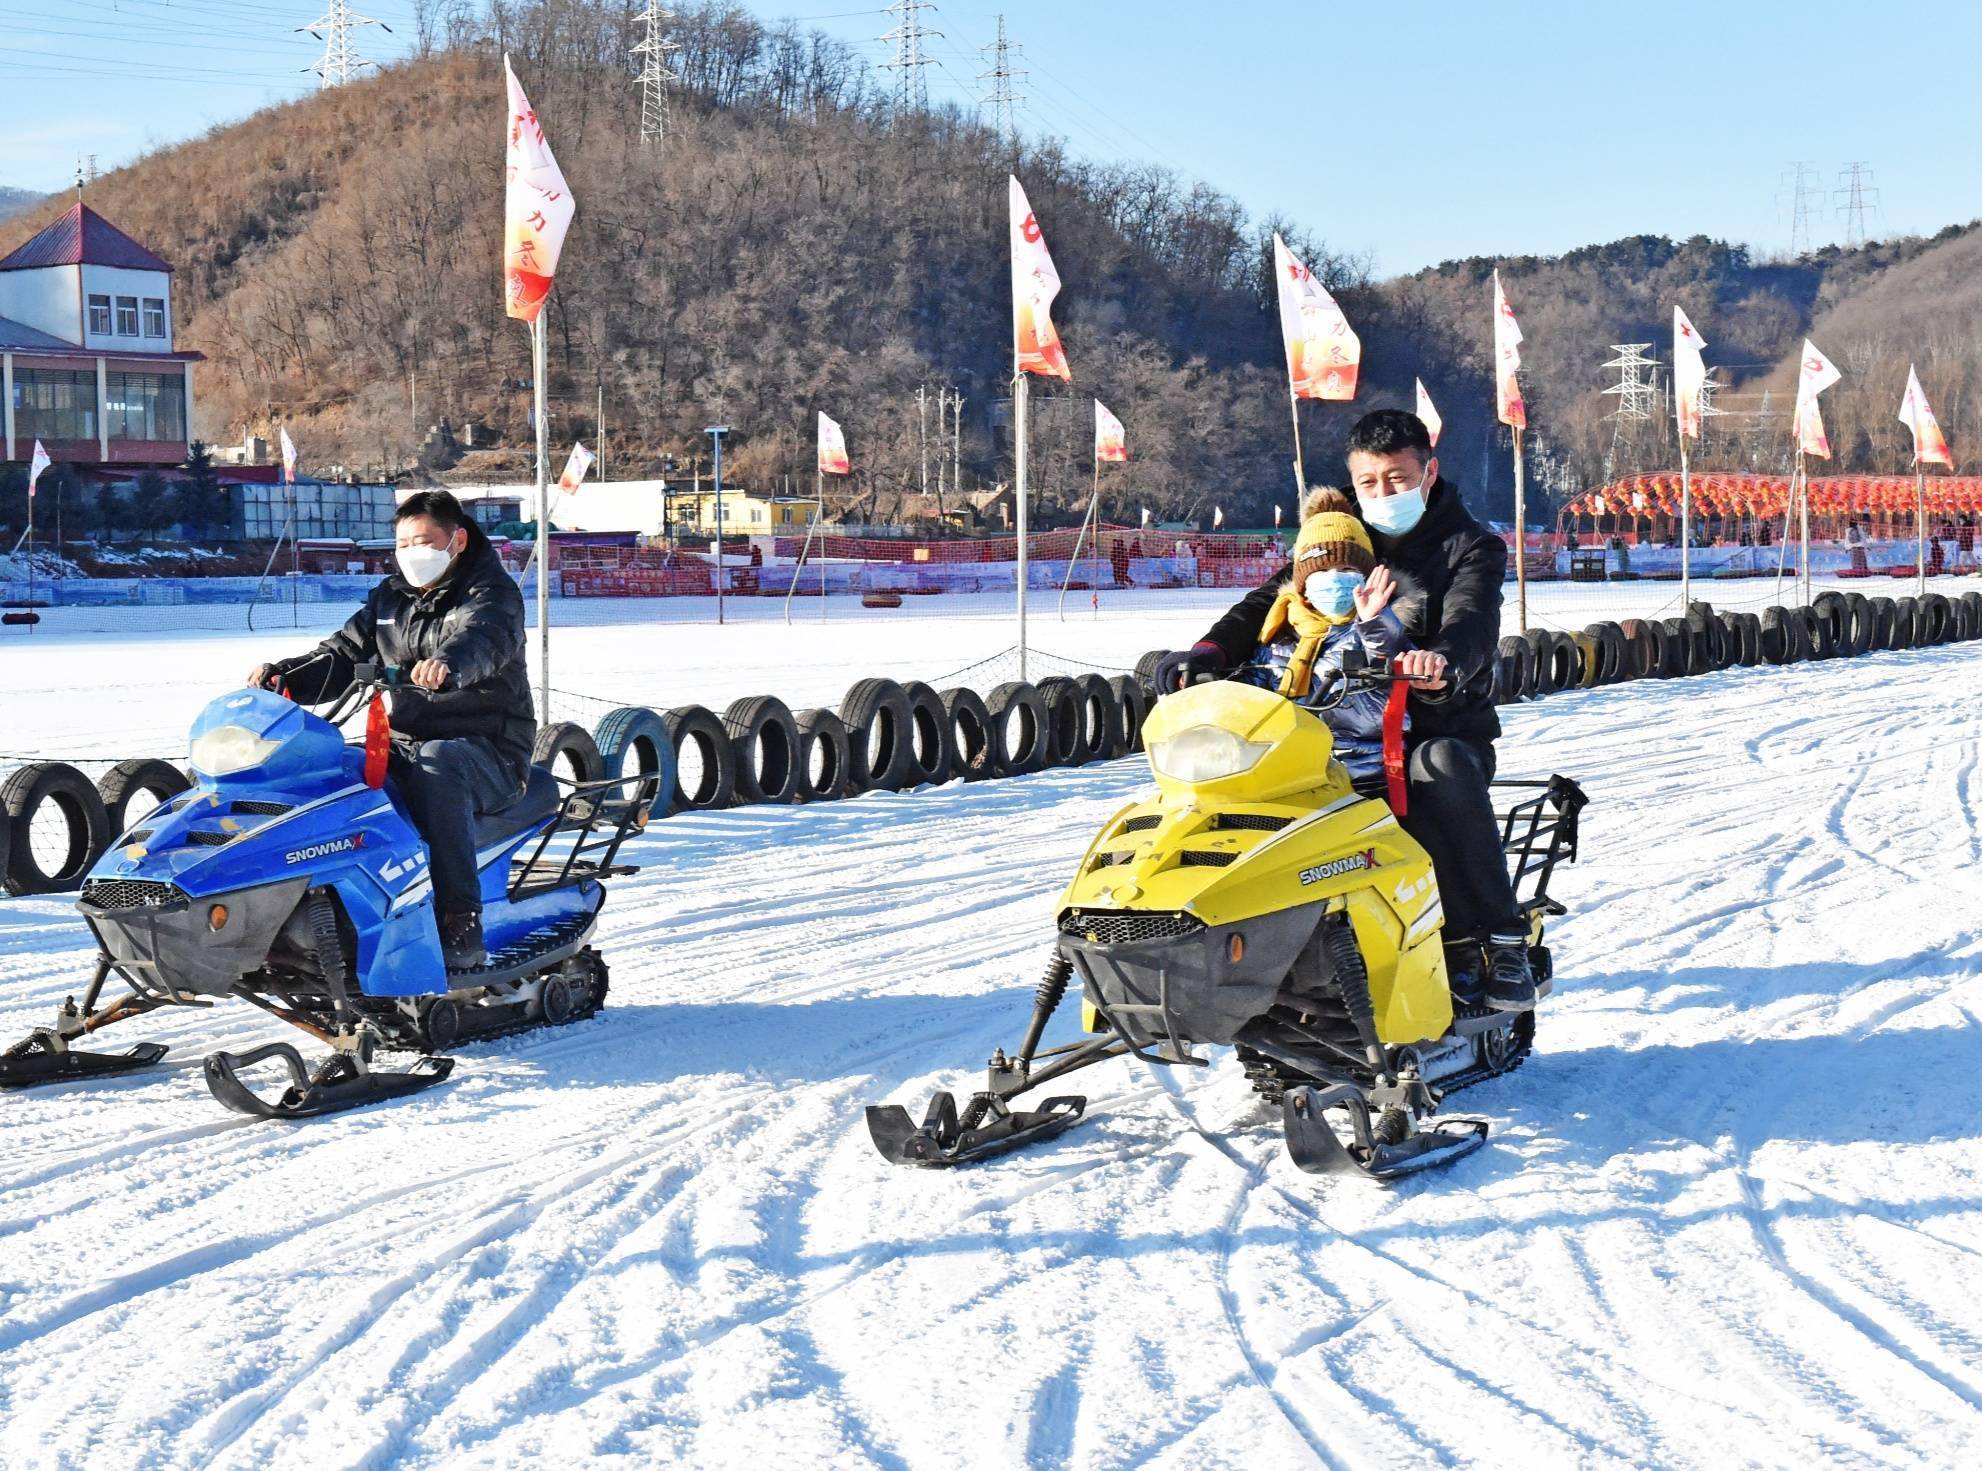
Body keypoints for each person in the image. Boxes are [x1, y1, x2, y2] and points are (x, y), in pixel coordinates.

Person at [1155, 408, 1535, 1012]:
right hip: (1327, 725)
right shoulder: (1341, 532)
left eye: (1396, 478)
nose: (1382, 493)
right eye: (1368, 482)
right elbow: (1272, 597)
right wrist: (1207, 652)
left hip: (1432, 722)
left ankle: (1499, 938)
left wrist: (1440, 662)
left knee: (1438, 767)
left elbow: (1472, 618)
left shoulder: (1470, 546)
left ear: (1427, 473)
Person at [247, 491, 533, 969]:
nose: (411, 553)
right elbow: (342, 655)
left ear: (457, 541)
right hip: (402, 743)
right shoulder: (389, 598)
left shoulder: (492, 594)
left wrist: (447, 664)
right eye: (403, 543)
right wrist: (286, 677)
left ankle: (459, 918)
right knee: (335, 772)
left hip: (489, 751)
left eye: (423, 541)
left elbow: (484, 638)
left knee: (438, 766)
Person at [1229, 487, 1415, 786]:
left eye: (1345, 569)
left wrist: (1373, 620)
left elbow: (1391, 657)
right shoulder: (1279, 640)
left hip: (1364, 777)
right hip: (1290, 776)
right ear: (1303, 583)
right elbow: (1250, 698)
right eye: (1322, 570)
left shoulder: (1372, 630)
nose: (1334, 578)